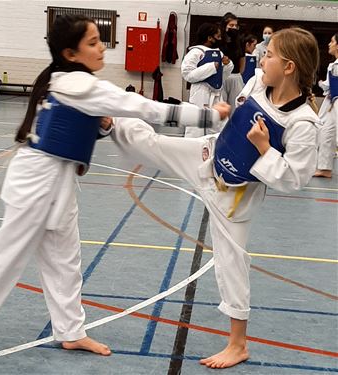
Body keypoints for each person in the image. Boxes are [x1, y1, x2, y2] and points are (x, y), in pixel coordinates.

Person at [0, 14, 229, 360]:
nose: (101, 47)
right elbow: (147, 108)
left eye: (100, 39)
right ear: (71, 53)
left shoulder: (68, 80)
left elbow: (82, 125)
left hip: (56, 180)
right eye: (92, 43)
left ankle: (70, 331)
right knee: (5, 257)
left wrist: (101, 125)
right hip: (36, 181)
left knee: (64, 259)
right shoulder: (81, 85)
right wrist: (211, 116)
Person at [112, 27, 320, 369]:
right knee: (154, 145)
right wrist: (222, 115)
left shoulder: (302, 122)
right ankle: (109, 119)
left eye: (269, 55)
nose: (261, 59)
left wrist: (264, 148)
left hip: (235, 197)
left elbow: (294, 178)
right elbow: (236, 120)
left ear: (289, 67)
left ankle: (238, 344)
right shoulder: (256, 85)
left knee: (232, 263)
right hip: (208, 157)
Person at [181, 22, 233, 137]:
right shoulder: (195, 52)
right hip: (200, 92)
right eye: (218, 36)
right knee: (197, 125)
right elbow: (187, 74)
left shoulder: (219, 53)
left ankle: (215, 151)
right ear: (209, 38)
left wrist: (228, 65)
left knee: (219, 125)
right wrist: (211, 67)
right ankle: (193, 151)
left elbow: (222, 76)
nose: (220, 39)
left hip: (217, 93)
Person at [314, 32, 338, 178]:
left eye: (332, 41)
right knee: (325, 131)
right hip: (331, 101)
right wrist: (322, 85)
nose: (329, 44)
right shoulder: (333, 65)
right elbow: (330, 85)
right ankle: (324, 167)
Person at [219, 12, 246, 116]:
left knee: (236, 108)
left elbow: (242, 61)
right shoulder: (220, 40)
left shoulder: (240, 41)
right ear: (224, 26)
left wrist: (238, 75)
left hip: (235, 76)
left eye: (235, 25)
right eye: (231, 25)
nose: (234, 28)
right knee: (222, 106)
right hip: (222, 76)